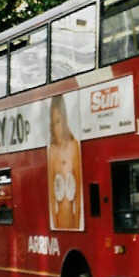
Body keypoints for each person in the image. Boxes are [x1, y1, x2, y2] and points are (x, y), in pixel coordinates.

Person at [48, 94, 83, 229]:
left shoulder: (74, 147)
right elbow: (52, 199)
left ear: (64, 120)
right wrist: (55, 227)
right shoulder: (52, 151)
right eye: (54, 122)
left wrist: (78, 227)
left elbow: (78, 196)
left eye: (59, 121)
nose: (57, 127)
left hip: (73, 223)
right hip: (59, 225)